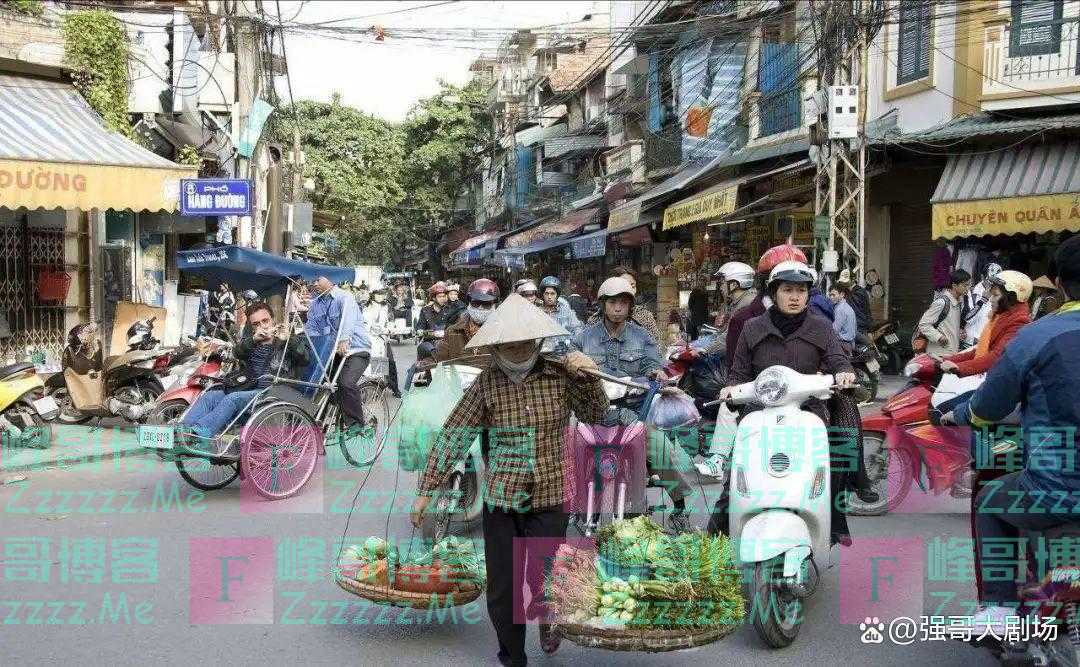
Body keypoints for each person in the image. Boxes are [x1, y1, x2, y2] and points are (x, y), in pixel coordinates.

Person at [411, 294, 608, 666]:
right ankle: (512, 655)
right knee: (503, 590)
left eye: (524, 341)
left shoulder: (561, 375)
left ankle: (549, 620)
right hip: (503, 497)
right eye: (508, 343)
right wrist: (426, 491)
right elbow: (456, 432)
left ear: (537, 341)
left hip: (551, 493)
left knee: (544, 578)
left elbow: (597, 414)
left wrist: (589, 375)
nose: (517, 349)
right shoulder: (487, 384)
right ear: (497, 345)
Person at [942, 237, 1080, 633]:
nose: (992, 294)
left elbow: (987, 408)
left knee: (988, 500)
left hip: (1055, 490)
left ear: (1058, 283)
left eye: (997, 290)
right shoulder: (1008, 323)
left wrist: (958, 415)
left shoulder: (1035, 335)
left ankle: (1000, 610)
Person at [707, 261, 867, 542]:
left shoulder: (821, 326)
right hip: (759, 411)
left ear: (808, 294)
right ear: (774, 292)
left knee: (831, 462)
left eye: (801, 291)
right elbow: (739, 372)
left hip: (808, 410)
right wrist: (730, 389)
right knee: (737, 475)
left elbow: (838, 360)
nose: (795, 297)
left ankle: (833, 521)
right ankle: (717, 538)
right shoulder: (752, 327)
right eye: (788, 289)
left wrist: (843, 373)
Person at [572, 277, 698, 534]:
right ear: (603, 305)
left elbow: (653, 366)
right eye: (613, 302)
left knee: (660, 448)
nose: (618, 307)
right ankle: (574, 502)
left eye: (623, 302)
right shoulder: (584, 337)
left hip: (634, 412)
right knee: (567, 446)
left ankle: (680, 507)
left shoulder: (642, 337)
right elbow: (571, 359)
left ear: (630, 306)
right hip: (594, 412)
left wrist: (657, 374)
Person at [181, 301, 310, 439]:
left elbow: (305, 359)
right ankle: (181, 431)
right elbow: (237, 352)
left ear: (273, 320)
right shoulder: (252, 342)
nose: (262, 326)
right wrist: (254, 339)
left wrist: (289, 339)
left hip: (276, 392)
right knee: (210, 396)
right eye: (256, 324)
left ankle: (199, 433)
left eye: (265, 321)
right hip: (249, 389)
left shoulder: (288, 340)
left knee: (232, 398)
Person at [936, 271, 1032, 411]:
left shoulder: (1018, 322)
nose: (991, 299)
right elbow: (982, 349)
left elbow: (996, 357)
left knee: (948, 410)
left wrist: (959, 368)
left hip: (1008, 389)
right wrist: (951, 359)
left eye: (996, 295)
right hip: (995, 382)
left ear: (1011, 298)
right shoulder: (1001, 317)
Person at [305, 274, 372, 435]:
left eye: (317, 280)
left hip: (355, 350)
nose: (314, 284)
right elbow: (311, 327)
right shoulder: (316, 304)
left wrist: (343, 339)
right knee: (319, 384)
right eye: (312, 281)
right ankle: (318, 423)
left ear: (330, 279)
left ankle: (357, 423)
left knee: (345, 383)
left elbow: (347, 321)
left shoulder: (345, 297)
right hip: (332, 352)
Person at [723, 244, 808, 372]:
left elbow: (832, 359)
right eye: (787, 286)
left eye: (800, 287)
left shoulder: (815, 320)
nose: (794, 296)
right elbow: (735, 371)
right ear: (769, 284)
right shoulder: (742, 321)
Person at [586, 266, 662, 342]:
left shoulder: (644, 317)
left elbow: (656, 347)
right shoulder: (596, 320)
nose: (630, 291)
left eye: (632, 286)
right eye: (623, 286)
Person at [434, 278, 500, 363]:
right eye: (476, 303)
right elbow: (441, 363)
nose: (480, 307)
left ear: (494, 305)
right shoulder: (452, 332)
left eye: (486, 304)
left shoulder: (503, 333)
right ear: (469, 303)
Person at [915, 269, 970, 358]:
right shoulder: (941, 302)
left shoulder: (958, 303)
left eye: (969, 285)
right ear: (954, 285)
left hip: (950, 354)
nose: (968, 288)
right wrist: (939, 337)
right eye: (965, 285)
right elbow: (924, 324)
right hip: (938, 355)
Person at [362, 288, 401, 397]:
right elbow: (366, 324)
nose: (380, 296)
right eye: (378, 293)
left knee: (390, 363)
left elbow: (391, 320)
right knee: (374, 365)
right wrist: (381, 330)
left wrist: (390, 328)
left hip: (383, 339)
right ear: (372, 294)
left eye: (382, 294)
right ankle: (375, 389)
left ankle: (394, 388)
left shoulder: (387, 306)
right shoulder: (366, 306)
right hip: (371, 339)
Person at [962, 262, 1002, 347]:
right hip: (971, 341)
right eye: (991, 280)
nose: (993, 284)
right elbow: (968, 318)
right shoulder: (972, 292)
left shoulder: (1000, 294)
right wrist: (983, 299)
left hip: (989, 341)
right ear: (982, 277)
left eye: (996, 281)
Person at [711, 261, 757, 334]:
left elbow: (728, 338)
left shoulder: (746, 305)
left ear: (734, 285)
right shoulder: (734, 302)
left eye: (723, 283)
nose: (721, 287)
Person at [537, 276, 582, 343]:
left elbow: (577, 330)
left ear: (557, 295)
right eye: (546, 293)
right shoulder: (537, 313)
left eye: (552, 294)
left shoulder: (566, 312)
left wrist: (571, 343)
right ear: (542, 295)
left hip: (563, 350)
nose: (549, 297)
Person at [829, 282, 858, 346]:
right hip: (850, 342)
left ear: (842, 294)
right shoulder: (845, 306)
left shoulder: (840, 309)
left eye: (833, 295)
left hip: (844, 343)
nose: (831, 297)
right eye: (830, 295)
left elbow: (835, 330)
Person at [687, 275, 709, 341]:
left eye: (704, 281)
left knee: (699, 335)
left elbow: (690, 304)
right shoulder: (696, 292)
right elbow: (690, 304)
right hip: (698, 317)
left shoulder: (703, 292)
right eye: (702, 281)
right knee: (700, 335)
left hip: (699, 317)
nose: (703, 283)